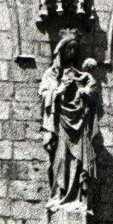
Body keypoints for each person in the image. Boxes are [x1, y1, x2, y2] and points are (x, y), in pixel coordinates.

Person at [38, 30, 98, 212]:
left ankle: (77, 198)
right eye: (69, 48)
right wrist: (60, 90)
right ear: (61, 50)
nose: (72, 52)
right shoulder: (52, 74)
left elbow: (92, 93)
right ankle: (58, 195)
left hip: (79, 124)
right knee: (61, 159)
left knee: (78, 160)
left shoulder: (81, 74)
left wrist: (86, 92)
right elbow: (44, 93)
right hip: (60, 124)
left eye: (74, 49)